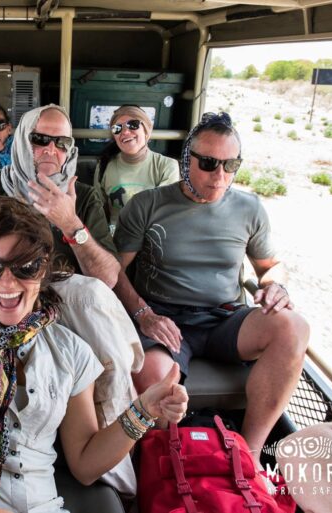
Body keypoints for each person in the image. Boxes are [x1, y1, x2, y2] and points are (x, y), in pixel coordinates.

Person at [0, 197, 188, 513]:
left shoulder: (72, 352)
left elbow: (85, 466)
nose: (7, 282)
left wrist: (144, 409)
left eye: (25, 267)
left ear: (43, 268)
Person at [113, 112, 310, 466]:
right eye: (208, 163)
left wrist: (275, 285)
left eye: (231, 165)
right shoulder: (146, 206)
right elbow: (116, 272)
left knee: (294, 327)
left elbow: (270, 266)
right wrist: (144, 314)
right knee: (156, 379)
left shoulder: (249, 208)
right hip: (164, 320)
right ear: (186, 160)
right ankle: (164, 463)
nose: (220, 175)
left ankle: (249, 456)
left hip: (224, 319)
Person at [0, 104, 120, 288]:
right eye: (39, 139)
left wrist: (71, 225)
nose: (51, 150)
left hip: (68, 300)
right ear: (21, 141)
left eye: (62, 142)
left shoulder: (85, 198)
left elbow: (108, 279)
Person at [93, 105, 179, 231]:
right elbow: (98, 213)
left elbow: (163, 215)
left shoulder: (167, 166)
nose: (125, 132)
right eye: (117, 128)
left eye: (133, 125)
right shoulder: (104, 166)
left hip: (151, 238)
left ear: (147, 130)